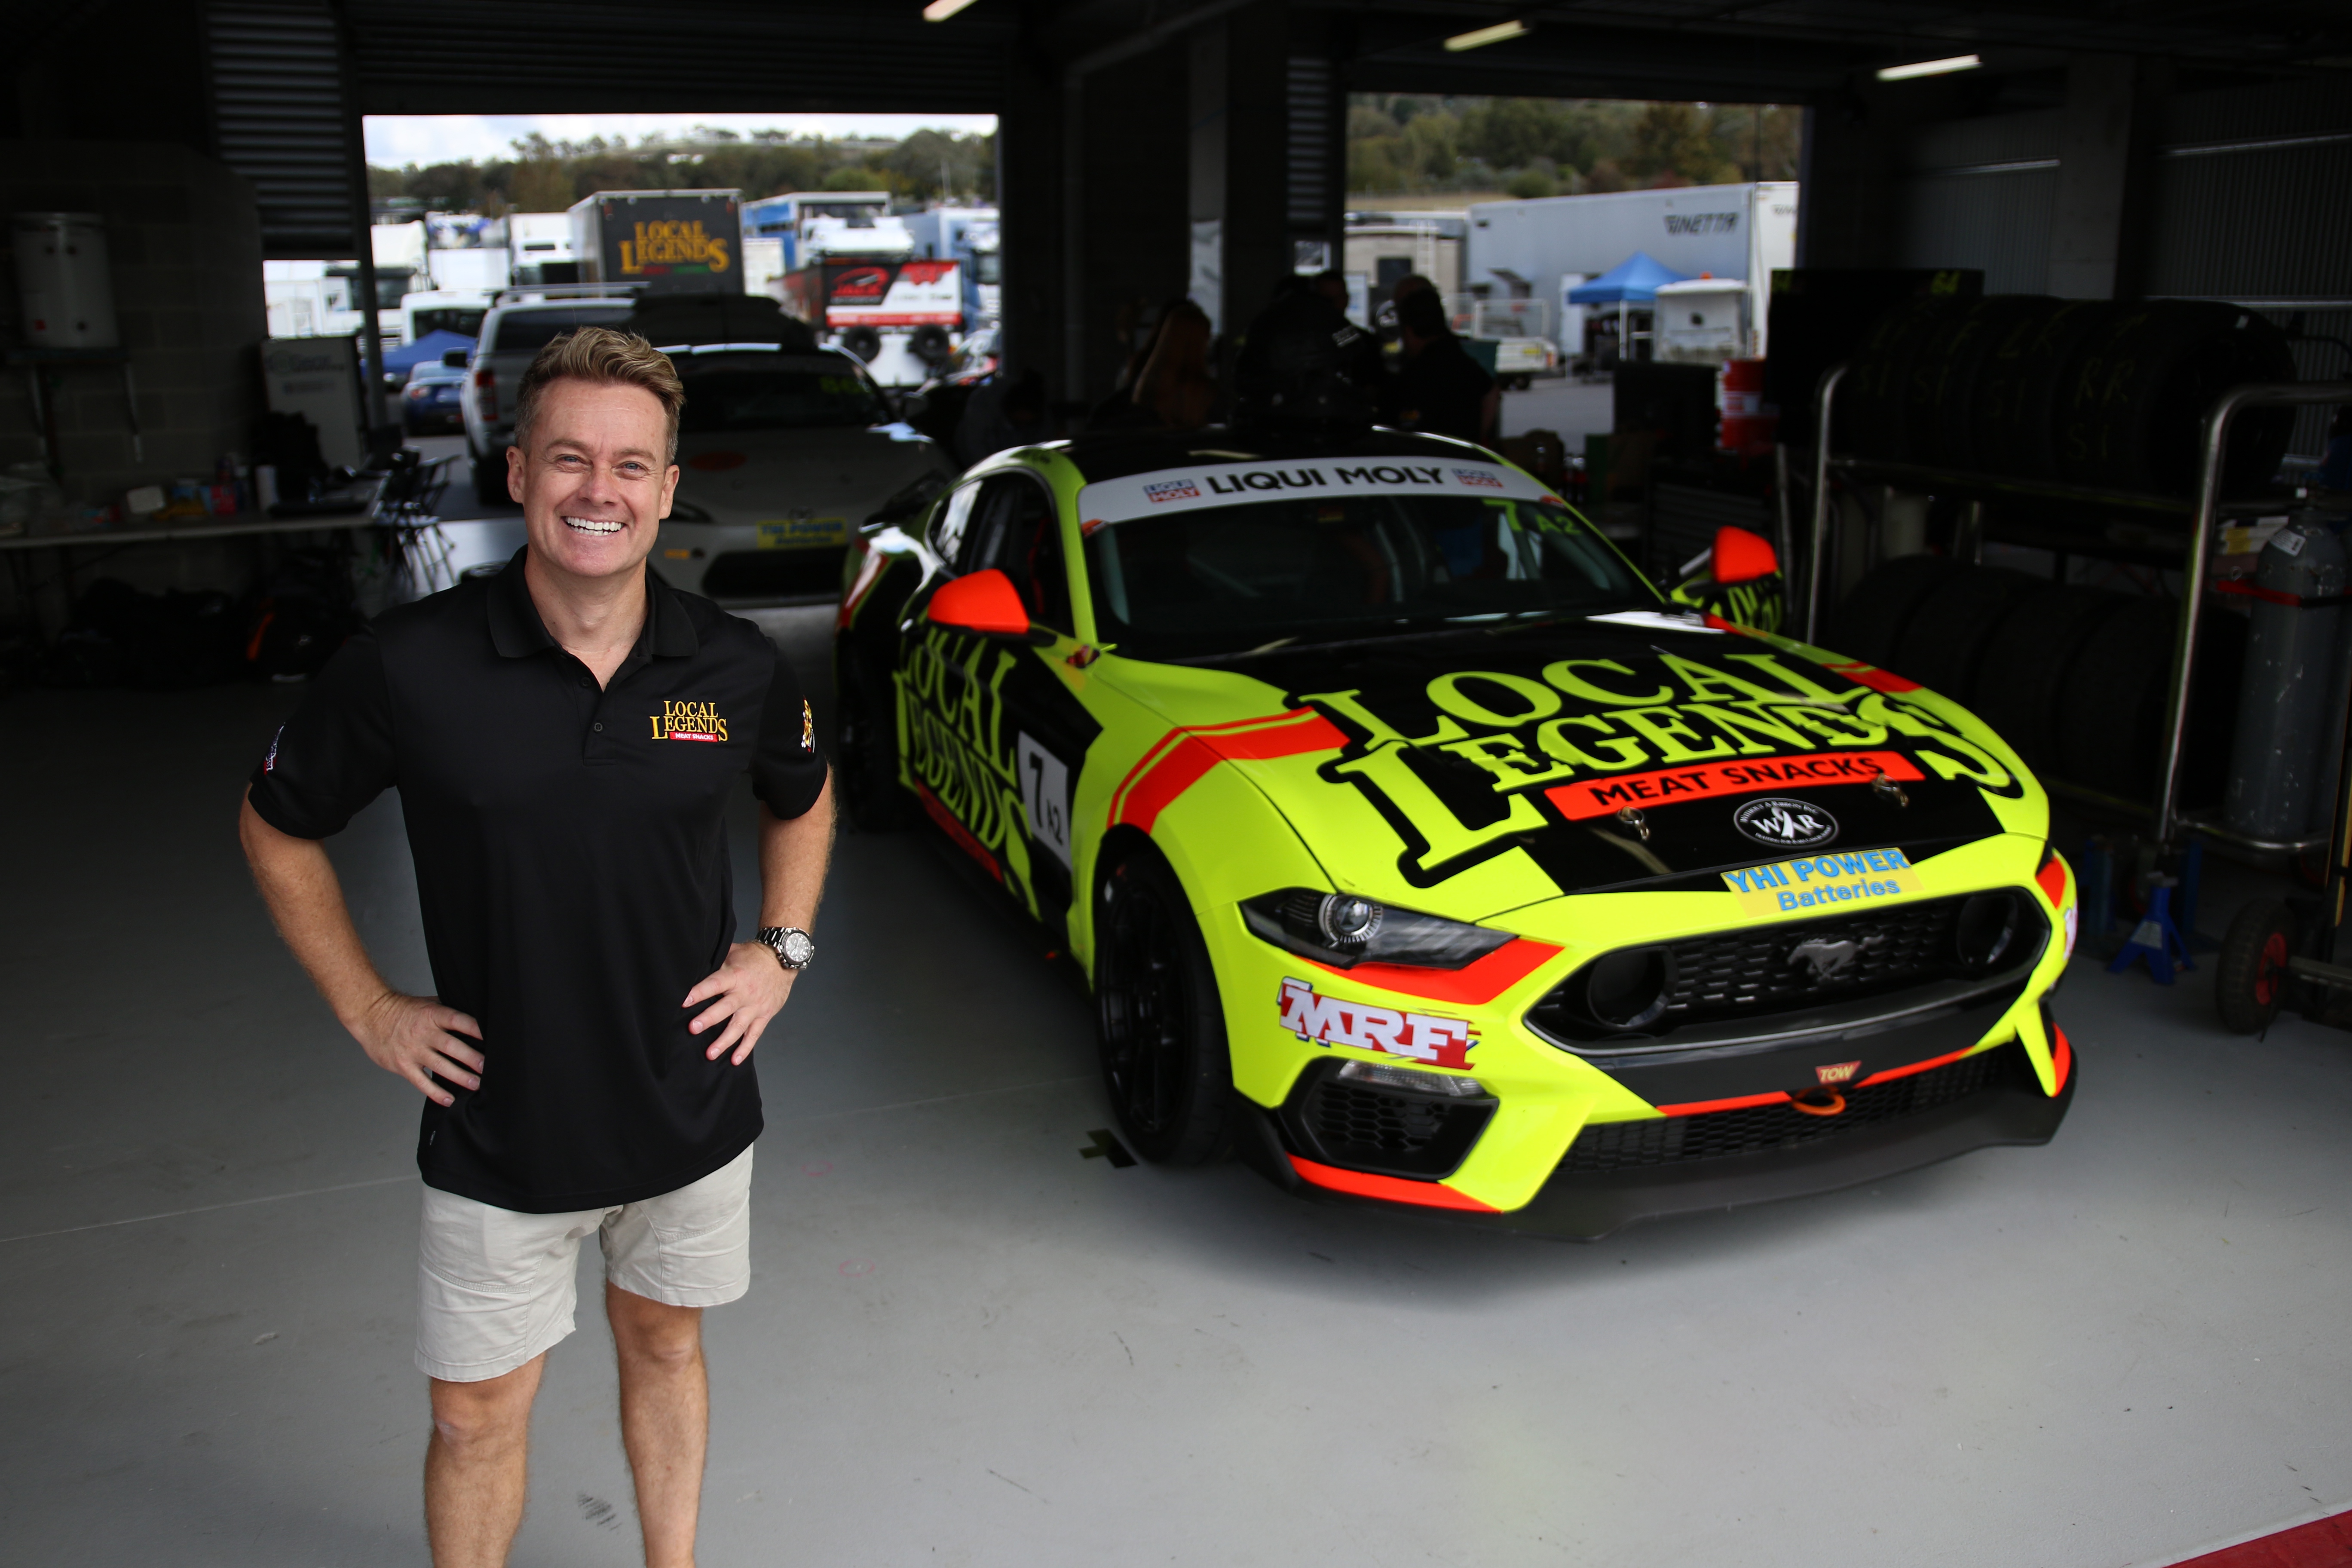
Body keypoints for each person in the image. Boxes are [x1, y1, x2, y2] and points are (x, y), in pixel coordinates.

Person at [238, 326, 835, 1568]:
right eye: (568, 458)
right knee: (471, 1416)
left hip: (688, 1106)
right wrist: (366, 1006)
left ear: (669, 491)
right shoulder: (407, 666)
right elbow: (276, 823)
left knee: (667, 1346)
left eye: (631, 465)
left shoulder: (729, 664)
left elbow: (804, 791)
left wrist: (780, 949)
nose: (597, 491)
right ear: (516, 474)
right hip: (500, 1123)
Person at [1393, 285, 1498, 446]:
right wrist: (1474, 441)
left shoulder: (1415, 373)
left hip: (1428, 460)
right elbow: (1492, 392)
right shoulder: (1460, 358)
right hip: (1462, 456)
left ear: (1408, 331)